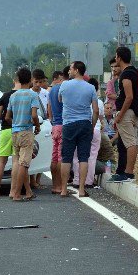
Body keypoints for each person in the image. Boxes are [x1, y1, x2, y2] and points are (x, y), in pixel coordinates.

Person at [58, 60, 98, 198]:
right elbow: (96, 110)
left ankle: (63, 189)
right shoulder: (91, 88)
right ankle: (81, 189)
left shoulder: (64, 84)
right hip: (85, 123)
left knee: (66, 157)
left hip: (69, 124)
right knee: (83, 157)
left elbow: (60, 100)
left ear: (76, 70)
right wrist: (92, 126)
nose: (69, 71)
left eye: (70, 68)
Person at [4, 67, 41, 202]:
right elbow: (34, 115)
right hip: (26, 131)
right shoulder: (33, 95)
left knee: (20, 161)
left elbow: (7, 117)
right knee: (24, 164)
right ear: (30, 80)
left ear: (18, 80)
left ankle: (29, 191)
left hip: (15, 132)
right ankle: (17, 193)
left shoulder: (13, 96)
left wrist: (16, 122)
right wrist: (36, 125)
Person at [109, 46, 138, 182]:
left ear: (119, 58)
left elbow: (129, 97)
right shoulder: (133, 72)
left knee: (130, 142)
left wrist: (120, 114)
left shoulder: (126, 74)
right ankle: (124, 171)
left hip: (127, 113)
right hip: (131, 112)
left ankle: (128, 173)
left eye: (116, 56)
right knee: (126, 142)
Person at [0, 76, 20, 198]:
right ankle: (13, 191)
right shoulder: (26, 95)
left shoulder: (6, 95)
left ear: (14, 80)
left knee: (1, 161)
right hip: (19, 130)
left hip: (6, 130)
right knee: (16, 161)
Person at [46, 70, 66, 194]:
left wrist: (52, 121)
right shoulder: (61, 89)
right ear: (58, 78)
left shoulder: (50, 91)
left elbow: (49, 109)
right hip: (63, 124)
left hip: (55, 126)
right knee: (61, 158)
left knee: (54, 157)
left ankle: (55, 185)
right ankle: (62, 186)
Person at [30, 69, 49, 189]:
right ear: (32, 80)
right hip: (31, 124)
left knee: (41, 152)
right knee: (32, 153)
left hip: (42, 123)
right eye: (36, 82)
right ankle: (31, 179)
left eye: (40, 82)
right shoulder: (28, 92)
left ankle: (38, 179)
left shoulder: (45, 93)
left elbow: (47, 109)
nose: (38, 84)